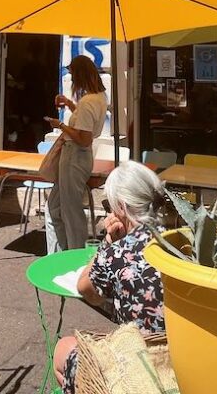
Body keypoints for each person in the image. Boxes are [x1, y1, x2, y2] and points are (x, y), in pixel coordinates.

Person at [52, 162, 166, 393]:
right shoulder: (180, 241)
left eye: (110, 206)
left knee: (62, 349)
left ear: (122, 208)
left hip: (138, 358)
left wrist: (107, 242)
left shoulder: (117, 252)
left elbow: (86, 290)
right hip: (179, 353)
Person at [45, 55, 108, 251]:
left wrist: (60, 125)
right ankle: (58, 253)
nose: (71, 80)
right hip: (78, 157)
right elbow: (84, 124)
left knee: (70, 212)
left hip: (74, 157)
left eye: (73, 75)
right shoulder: (98, 98)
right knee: (54, 208)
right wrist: (70, 105)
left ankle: (75, 255)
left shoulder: (88, 101)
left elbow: (83, 138)